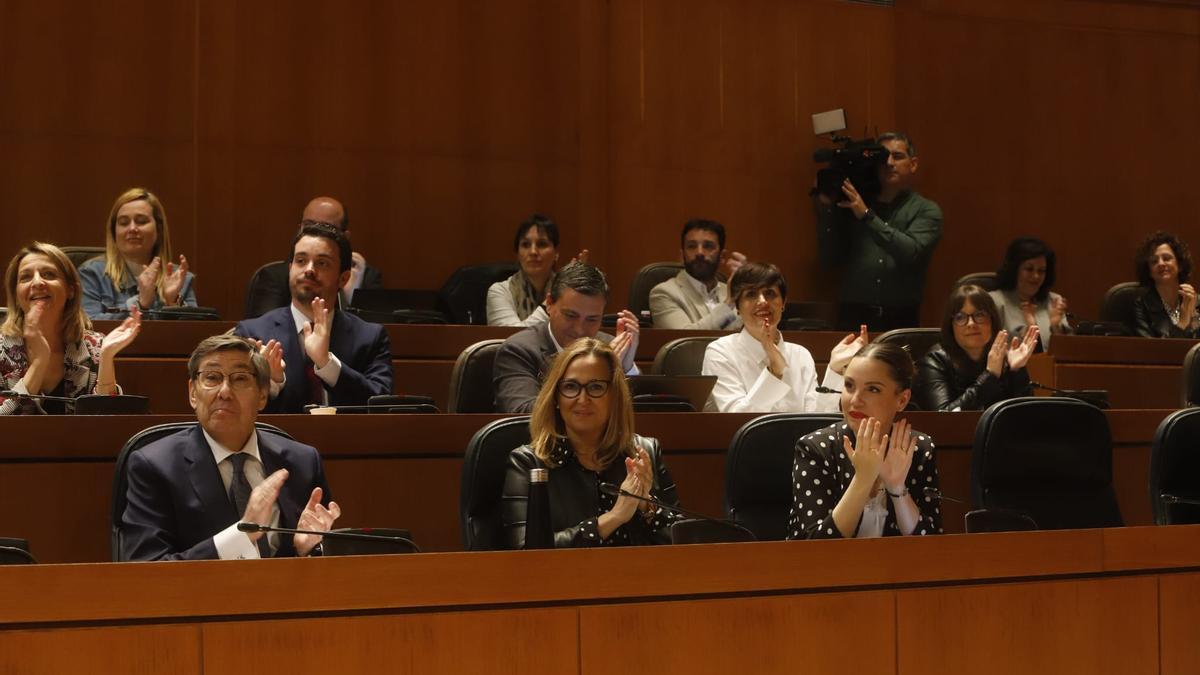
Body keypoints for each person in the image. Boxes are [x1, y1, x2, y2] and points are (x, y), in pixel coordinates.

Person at [120, 334, 341, 561]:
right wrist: (240, 536)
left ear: (263, 395)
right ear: (193, 393)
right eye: (212, 378)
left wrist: (306, 551)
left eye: (240, 379)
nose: (224, 392)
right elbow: (145, 568)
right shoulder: (154, 467)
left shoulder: (302, 462)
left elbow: (329, 563)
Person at [502, 338, 680, 548]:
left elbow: (683, 541)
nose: (582, 398)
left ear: (614, 395)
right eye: (570, 387)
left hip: (639, 577)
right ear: (556, 397)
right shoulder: (528, 463)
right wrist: (613, 518)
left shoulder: (643, 452)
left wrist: (646, 505)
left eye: (595, 387)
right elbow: (526, 549)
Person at [787, 342, 943, 539]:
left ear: (902, 400)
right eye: (849, 386)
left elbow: (931, 544)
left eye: (873, 389)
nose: (855, 400)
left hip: (895, 568)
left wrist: (897, 489)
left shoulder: (918, 448)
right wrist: (863, 479)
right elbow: (817, 547)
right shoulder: (816, 449)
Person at [234, 222, 392, 413]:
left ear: (343, 278)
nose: (309, 269)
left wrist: (327, 364)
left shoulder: (370, 337)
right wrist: (273, 384)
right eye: (301, 260)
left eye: (322, 263)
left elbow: (380, 404)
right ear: (290, 268)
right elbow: (237, 408)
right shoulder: (253, 333)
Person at [814, 132, 943, 331]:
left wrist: (866, 215)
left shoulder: (926, 210)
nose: (890, 162)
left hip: (900, 316)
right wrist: (828, 208)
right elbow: (831, 258)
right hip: (853, 314)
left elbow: (911, 252)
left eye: (898, 156)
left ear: (913, 163)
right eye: (883, 157)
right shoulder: (851, 205)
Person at [701, 262, 866, 413]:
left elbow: (816, 419)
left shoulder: (800, 354)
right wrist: (774, 373)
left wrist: (835, 369)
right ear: (737, 307)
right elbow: (734, 420)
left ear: (784, 303)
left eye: (770, 293)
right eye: (751, 295)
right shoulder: (720, 352)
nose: (762, 301)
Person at [1, 242, 142, 415]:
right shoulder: (1, 349)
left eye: (49, 274)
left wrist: (106, 357)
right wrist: (39, 362)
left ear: (71, 290)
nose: (37, 282)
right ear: (16, 295)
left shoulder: (94, 346)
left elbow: (108, 425)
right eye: (25, 277)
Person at [493, 261, 640, 413]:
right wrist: (598, 371)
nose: (579, 330)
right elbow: (523, 413)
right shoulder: (518, 350)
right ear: (549, 304)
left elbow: (638, 414)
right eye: (570, 315)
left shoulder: (609, 346)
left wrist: (625, 368)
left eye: (592, 319)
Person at [79, 188, 197, 320]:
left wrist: (173, 303)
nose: (132, 229)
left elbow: (192, 335)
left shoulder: (180, 278)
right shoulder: (91, 273)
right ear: (114, 232)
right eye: (124, 223)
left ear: (159, 229)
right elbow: (88, 327)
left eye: (141, 221)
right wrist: (140, 304)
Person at [915, 285, 1038, 412]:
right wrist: (990, 376)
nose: (971, 324)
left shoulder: (1005, 358)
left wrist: (1017, 370)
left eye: (979, 315)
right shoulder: (935, 361)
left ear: (992, 320)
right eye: (960, 317)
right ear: (951, 325)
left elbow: (1026, 416)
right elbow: (944, 417)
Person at [250, 196, 383, 312]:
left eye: (327, 227)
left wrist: (350, 296)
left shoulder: (366, 276)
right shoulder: (274, 277)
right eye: (308, 225)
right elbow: (265, 330)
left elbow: (375, 333)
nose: (315, 233)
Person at [648, 218, 746, 330]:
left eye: (708, 246)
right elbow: (685, 341)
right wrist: (729, 303)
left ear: (722, 256)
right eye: (691, 246)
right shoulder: (664, 293)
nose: (699, 252)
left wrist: (752, 288)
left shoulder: (732, 292)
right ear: (682, 256)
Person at [486, 214, 582, 327]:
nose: (533, 252)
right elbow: (512, 338)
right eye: (525, 245)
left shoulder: (570, 293)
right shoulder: (499, 292)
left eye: (542, 244)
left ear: (556, 253)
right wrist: (556, 296)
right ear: (518, 254)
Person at [989, 237, 1070, 351]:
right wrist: (1029, 330)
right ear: (1014, 269)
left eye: (1041, 271)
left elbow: (1067, 352)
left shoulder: (1054, 301)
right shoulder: (994, 301)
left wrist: (1055, 327)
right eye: (1029, 269)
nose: (1036, 276)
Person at [1131, 231, 1199, 339]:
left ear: (1180, 265)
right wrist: (1182, 322)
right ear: (1149, 271)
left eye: (1167, 258)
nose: (1161, 264)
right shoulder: (1141, 306)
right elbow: (1151, 351)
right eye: (1154, 261)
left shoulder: (1195, 301)